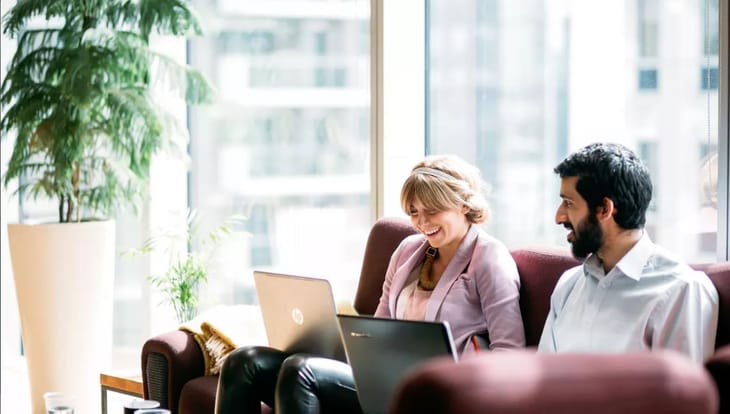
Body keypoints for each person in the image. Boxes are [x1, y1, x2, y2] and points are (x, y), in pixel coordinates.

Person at [215, 154, 526, 414]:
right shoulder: (407, 251)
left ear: (464, 205)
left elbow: (510, 353)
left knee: (302, 370)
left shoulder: (489, 259)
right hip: (381, 378)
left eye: (433, 210)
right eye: (414, 212)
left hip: (432, 392)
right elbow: (377, 328)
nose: (422, 222)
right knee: (244, 362)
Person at [538, 142, 719, 364]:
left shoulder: (682, 290)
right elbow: (544, 378)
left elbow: (682, 395)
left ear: (605, 209)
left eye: (569, 203)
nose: (559, 217)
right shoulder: (569, 285)